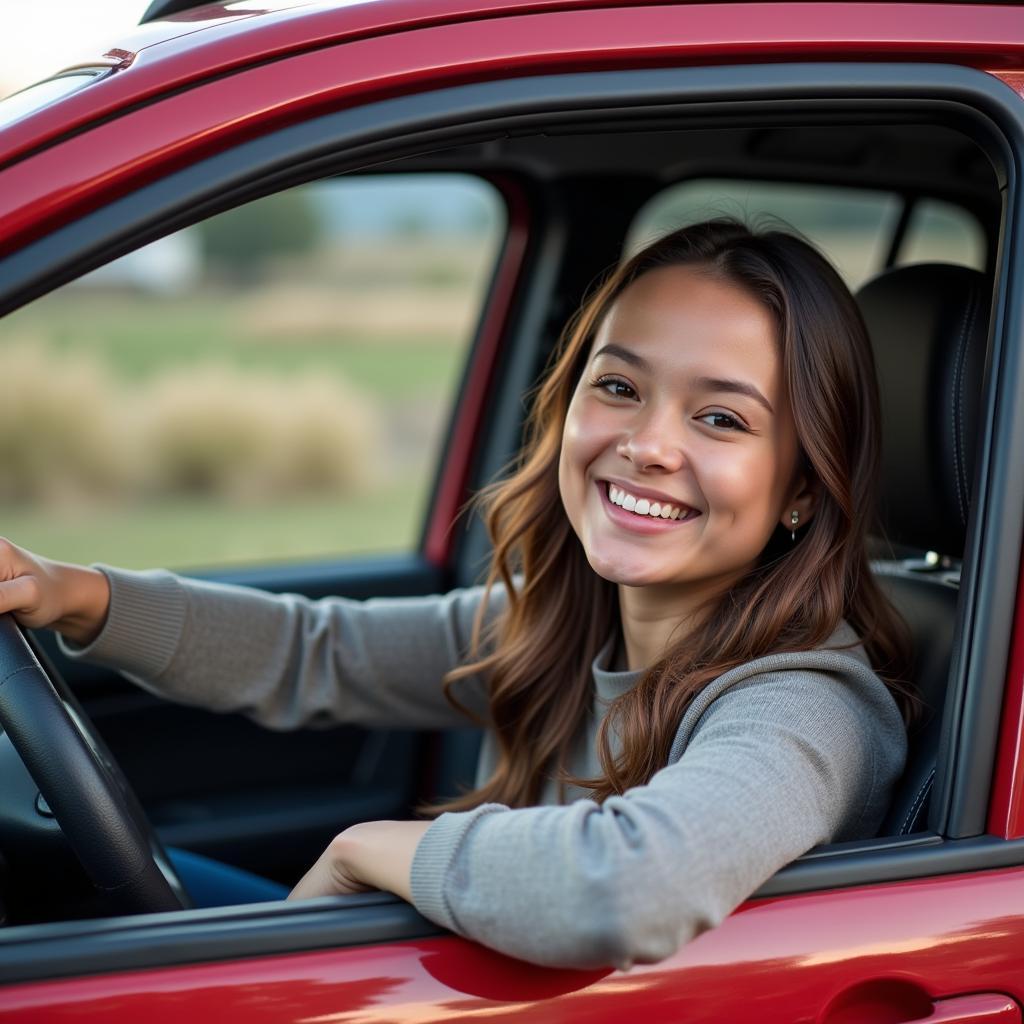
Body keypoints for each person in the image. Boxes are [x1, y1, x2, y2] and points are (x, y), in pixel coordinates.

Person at [0, 218, 914, 970]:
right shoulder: (571, 624)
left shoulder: (806, 706)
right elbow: (319, 651)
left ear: (802, 486)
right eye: (620, 386)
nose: (647, 444)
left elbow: (626, 888)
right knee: (65, 889)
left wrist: (371, 848)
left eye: (720, 417)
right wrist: (68, 593)